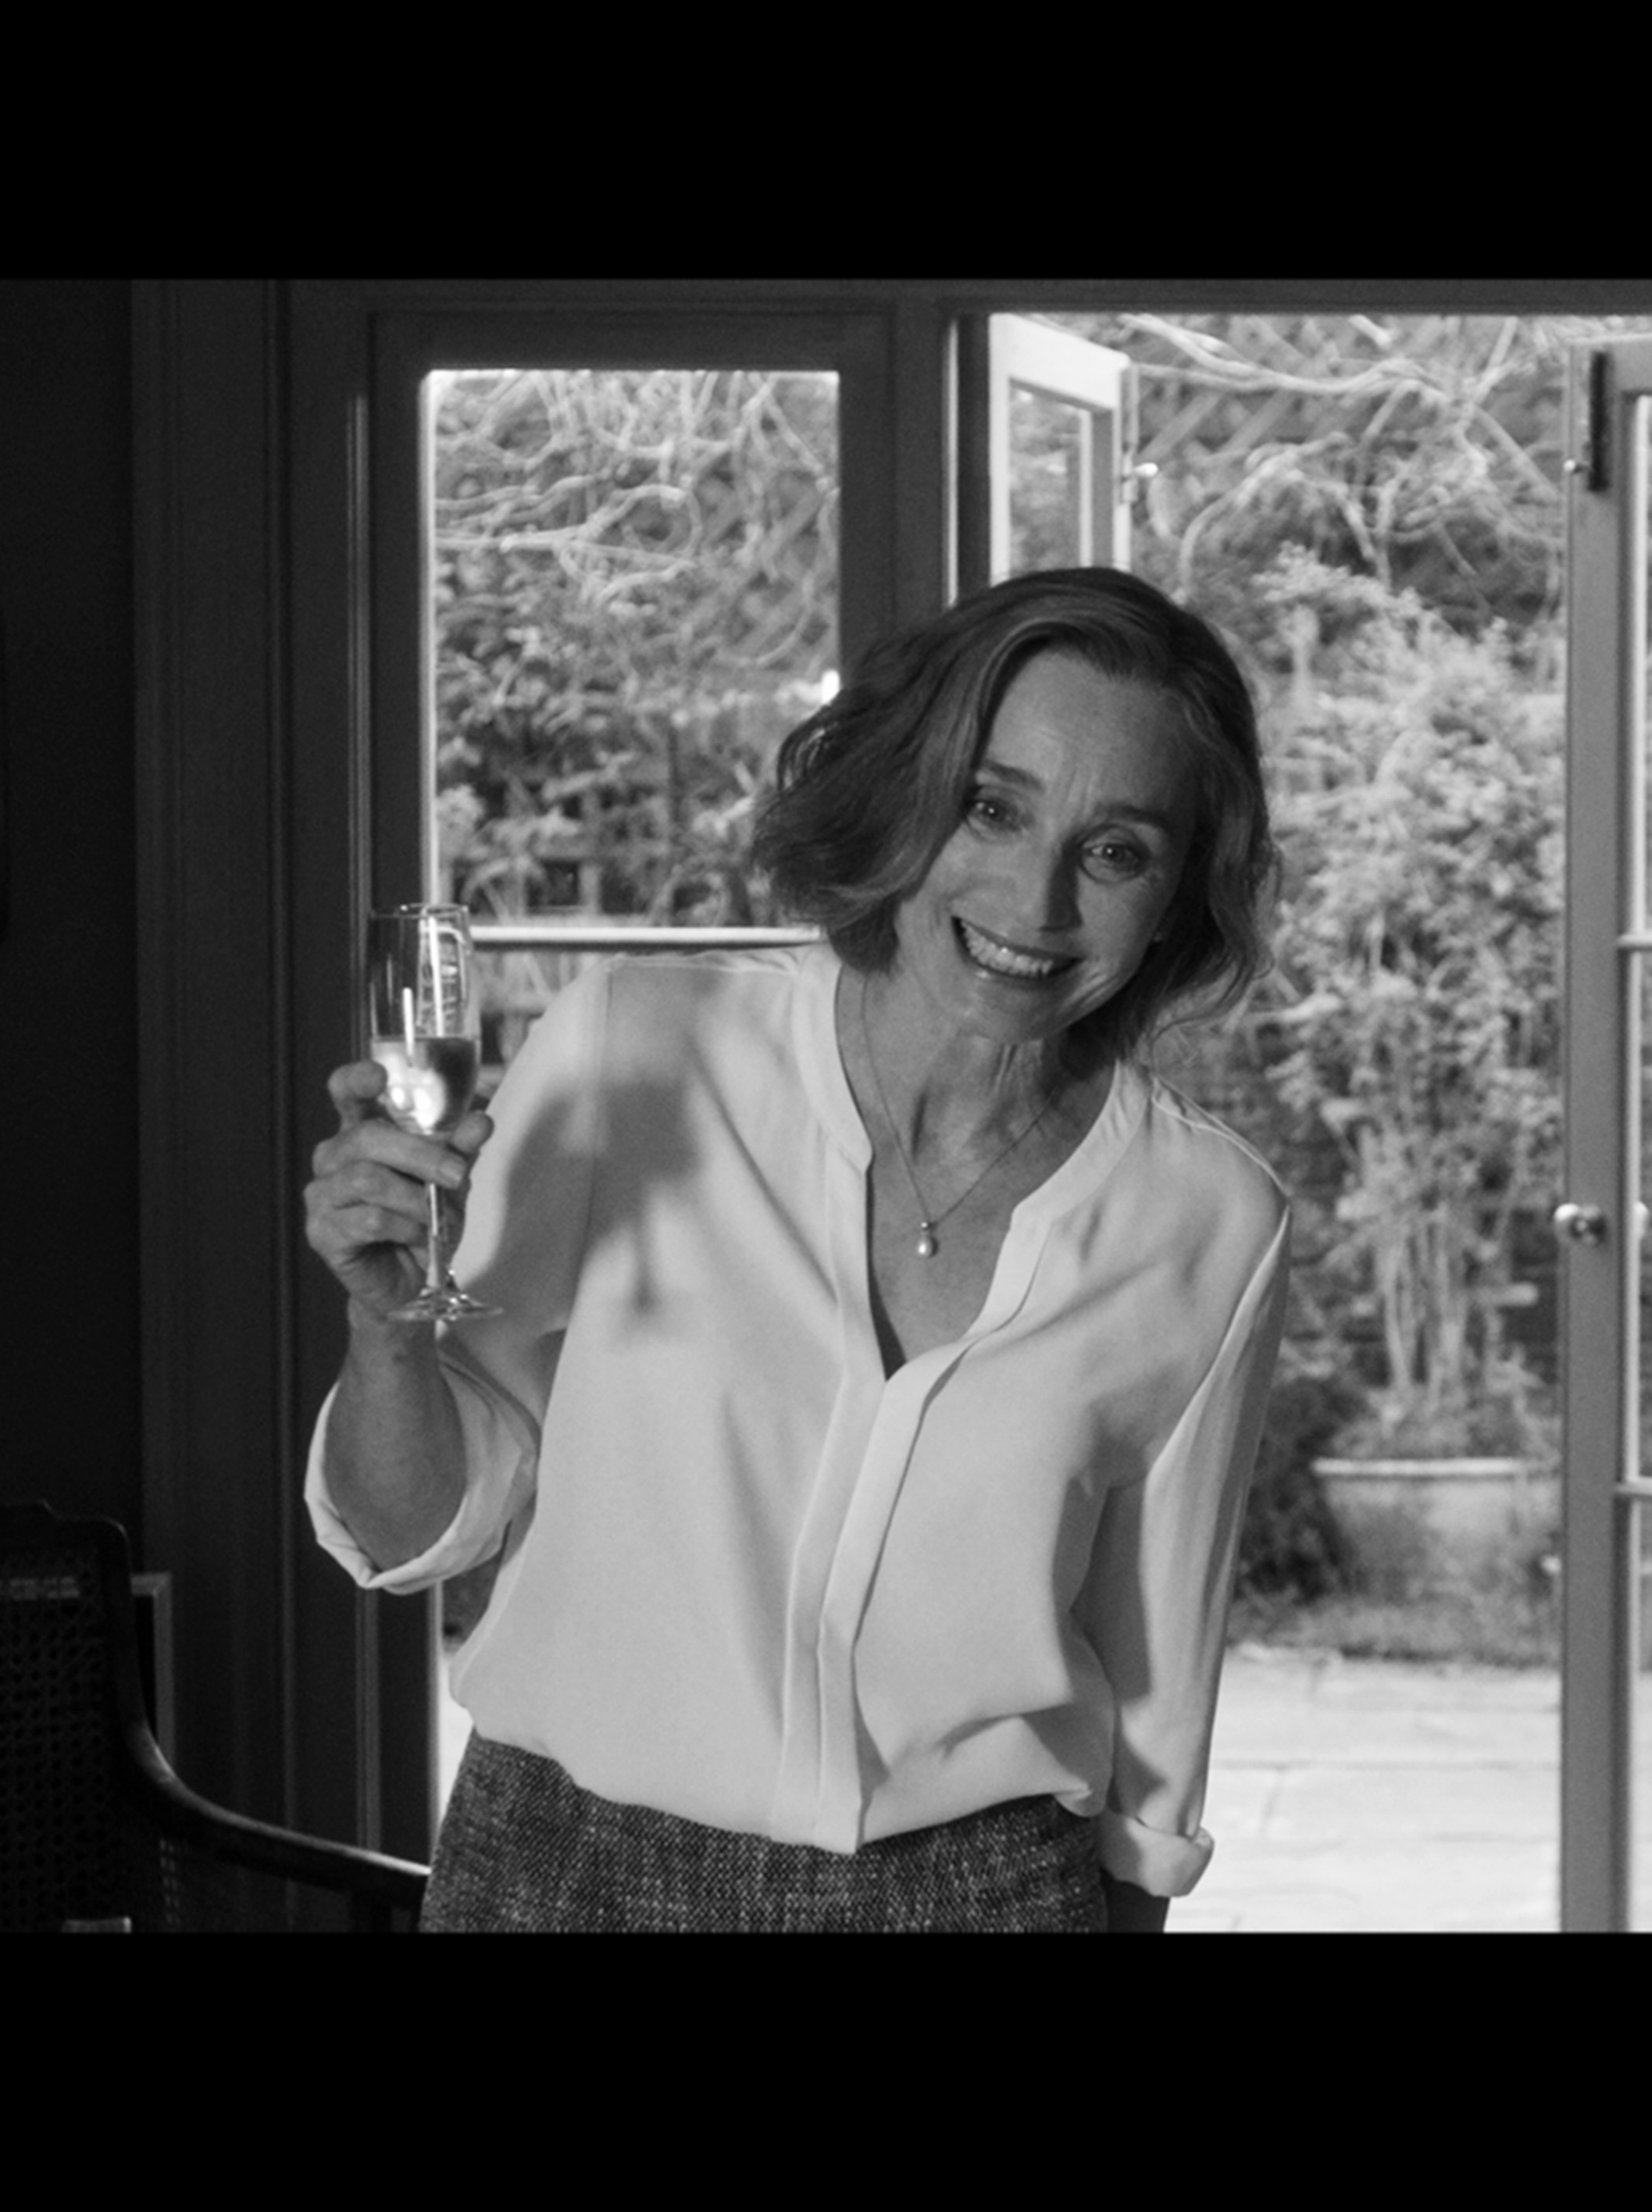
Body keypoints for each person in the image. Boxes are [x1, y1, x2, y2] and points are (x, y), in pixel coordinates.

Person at [300, 567, 1290, 1932]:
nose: (1036, 899)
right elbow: (412, 1530)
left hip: (986, 1898)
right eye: (991, 807)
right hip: (567, 1880)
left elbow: (1158, 1682)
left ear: (1179, 895)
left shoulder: (1209, 1219)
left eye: (1116, 850)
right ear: (905, 796)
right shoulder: (639, 1051)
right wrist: (384, 1329)